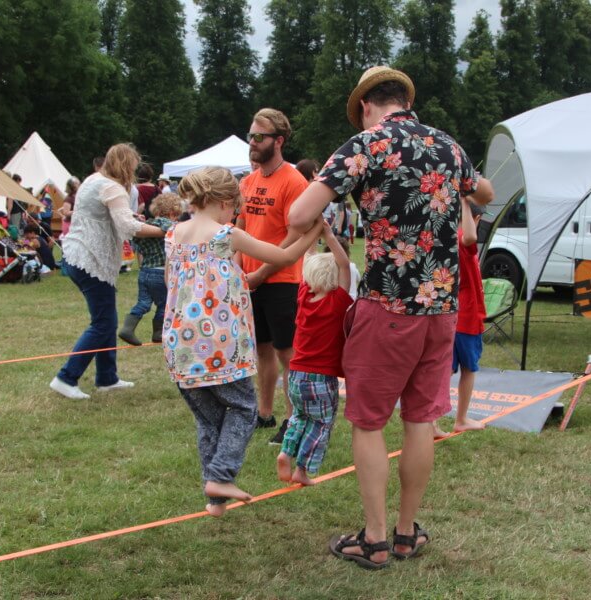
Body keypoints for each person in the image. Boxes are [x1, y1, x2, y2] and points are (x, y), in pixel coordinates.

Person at [288, 65, 494, 569]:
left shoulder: (365, 145)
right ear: (405, 99)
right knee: (421, 420)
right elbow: (484, 193)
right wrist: (461, 189)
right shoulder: (448, 145)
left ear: (365, 106)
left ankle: (375, 540)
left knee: (369, 423)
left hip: (388, 307)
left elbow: (297, 215)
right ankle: (406, 534)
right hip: (442, 309)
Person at [163, 166, 321, 516]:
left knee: (209, 420)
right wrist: (316, 231)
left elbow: (174, 282)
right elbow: (284, 257)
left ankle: (215, 498)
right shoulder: (227, 235)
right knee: (245, 409)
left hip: (180, 345)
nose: (234, 215)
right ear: (223, 203)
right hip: (218, 345)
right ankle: (220, 477)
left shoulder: (173, 235)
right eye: (235, 209)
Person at [49, 143, 165, 401]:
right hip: (91, 261)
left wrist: (131, 216)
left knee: (106, 318)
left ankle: (107, 378)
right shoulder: (112, 187)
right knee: (103, 323)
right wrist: (165, 231)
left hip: (78, 255)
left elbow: (111, 215)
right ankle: (66, 377)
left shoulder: (94, 179)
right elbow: (127, 227)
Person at [238, 108, 310, 444]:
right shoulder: (248, 181)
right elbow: (241, 227)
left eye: (259, 136)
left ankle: (293, 420)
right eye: (250, 135)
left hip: (282, 280)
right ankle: (264, 413)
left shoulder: (294, 182)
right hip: (250, 279)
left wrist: (262, 271)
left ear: (278, 141)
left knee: (287, 353)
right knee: (261, 349)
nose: (252, 142)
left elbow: (293, 237)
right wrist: (239, 269)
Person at [276, 225, 353, 486]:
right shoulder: (336, 302)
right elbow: (344, 265)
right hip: (321, 379)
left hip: (295, 374)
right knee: (321, 423)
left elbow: (308, 257)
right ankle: (302, 470)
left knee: (299, 417)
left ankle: (286, 452)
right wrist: (329, 235)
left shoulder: (304, 297)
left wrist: (313, 232)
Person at [433, 200, 488, 438]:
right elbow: (470, 237)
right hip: (466, 317)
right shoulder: (463, 241)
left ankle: (433, 422)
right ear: (476, 219)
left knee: (444, 370)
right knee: (468, 369)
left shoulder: (449, 238)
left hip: (453, 314)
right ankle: (461, 419)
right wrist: (465, 201)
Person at [118, 193, 182, 346]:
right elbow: (172, 229)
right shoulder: (166, 223)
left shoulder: (146, 225)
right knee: (164, 304)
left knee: (143, 303)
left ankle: (127, 328)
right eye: (176, 216)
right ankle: (158, 333)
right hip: (160, 272)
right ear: (172, 213)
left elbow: (137, 242)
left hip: (145, 271)